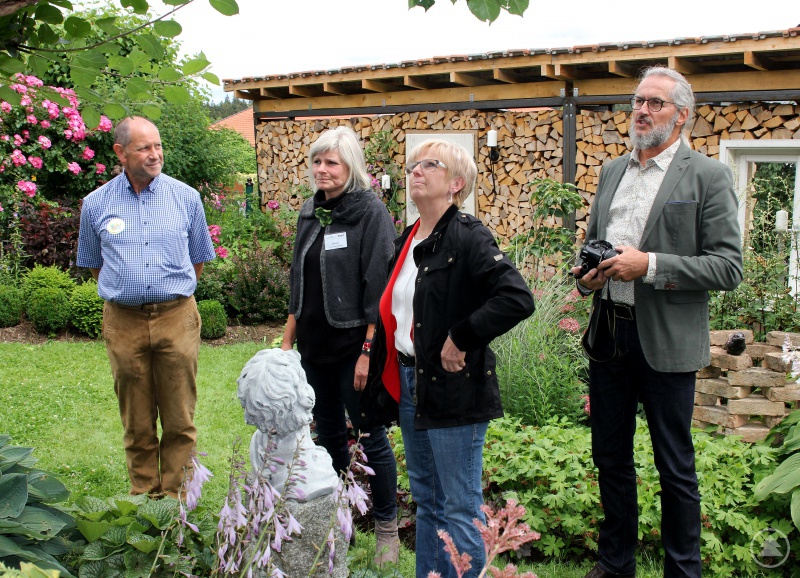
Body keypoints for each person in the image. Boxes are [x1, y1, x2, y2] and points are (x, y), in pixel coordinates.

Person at [572, 67, 743, 578]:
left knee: (675, 466)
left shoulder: (707, 176)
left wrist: (649, 265)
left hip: (666, 340)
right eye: (637, 101)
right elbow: (590, 247)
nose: (642, 110)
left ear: (682, 115)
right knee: (610, 456)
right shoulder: (610, 172)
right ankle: (615, 562)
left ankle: (682, 570)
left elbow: (728, 267)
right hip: (609, 334)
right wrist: (587, 279)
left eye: (655, 103)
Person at [361, 139, 535, 578]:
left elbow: (516, 298)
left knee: (457, 505)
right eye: (414, 164)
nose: (416, 170)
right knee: (426, 500)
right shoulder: (409, 240)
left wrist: (462, 336)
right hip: (410, 385)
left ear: (455, 184)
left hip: (453, 388)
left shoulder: (468, 235)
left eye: (430, 165)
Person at [279, 126, 400, 565]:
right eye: (317, 161)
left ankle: (387, 526)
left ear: (351, 167)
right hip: (314, 345)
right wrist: (287, 343)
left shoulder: (369, 212)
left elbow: (379, 286)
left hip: (354, 345)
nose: (322, 170)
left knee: (370, 434)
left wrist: (369, 350)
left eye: (332, 162)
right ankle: (338, 516)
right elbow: (298, 280)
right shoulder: (311, 212)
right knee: (327, 433)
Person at [76, 116, 215, 498]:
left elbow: (198, 259)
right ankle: (143, 499)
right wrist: (129, 290)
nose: (155, 155)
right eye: (144, 148)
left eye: (157, 145)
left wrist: (168, 292)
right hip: (124, 321)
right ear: (120, 153)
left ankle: (175, 502)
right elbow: (93, 262)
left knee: (179, 418)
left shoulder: (186, 198)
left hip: (177, 317)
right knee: (136, 421)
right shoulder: (96, 204)